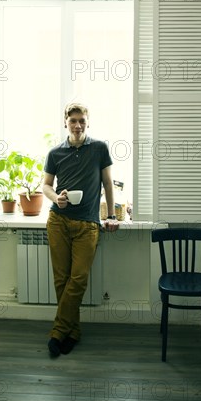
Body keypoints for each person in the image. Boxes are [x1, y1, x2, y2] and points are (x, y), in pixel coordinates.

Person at [43, 103, 119, 357]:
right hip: (58, 222)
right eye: (73, 120)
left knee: (78, 279)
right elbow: (45, 186)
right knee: (61, 279)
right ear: (65, 121)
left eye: (82, 121)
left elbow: (108, 183)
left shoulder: (99, 148)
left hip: (88, 224)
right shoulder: (55, 153)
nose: (77, 125)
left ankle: (58, 332)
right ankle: (72, 333)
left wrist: (110, 215)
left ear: (88, 123)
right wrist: (56, 198)